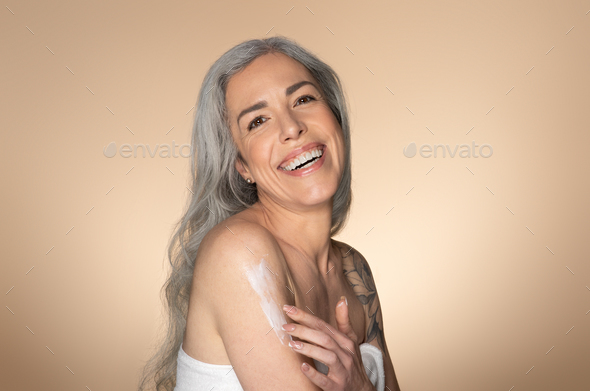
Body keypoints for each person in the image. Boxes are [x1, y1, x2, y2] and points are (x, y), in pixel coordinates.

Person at [137, 35, 401, 391]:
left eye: (304, 99)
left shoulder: (355, 271)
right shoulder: (239, 253)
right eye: (258, 121)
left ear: (336, 118)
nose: (292, 127)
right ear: (241, 165)